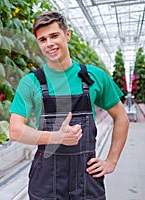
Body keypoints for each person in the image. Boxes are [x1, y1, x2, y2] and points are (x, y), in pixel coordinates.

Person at [9, 10, 129, 200]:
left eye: (54, 36)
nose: (49, 43)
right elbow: (15, 131)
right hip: (46, 180)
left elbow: (121, 116)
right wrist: (57, 137)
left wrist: (111, 161)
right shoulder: (30, 82)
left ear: (67, 35)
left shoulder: (94, 77)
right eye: (43, 39)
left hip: (87, 178)